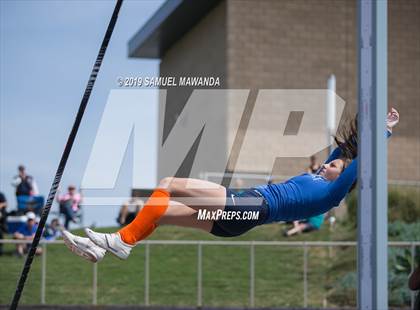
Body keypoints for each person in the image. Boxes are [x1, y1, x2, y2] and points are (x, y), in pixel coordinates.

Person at [63, 108, 400, 263]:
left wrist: (384, 130)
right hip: (240, 221)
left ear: (345, 175)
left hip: (253, 206)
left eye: (335, 164)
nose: (327, 162)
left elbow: (360, 160)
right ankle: (105, 247)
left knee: (168, 184)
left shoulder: (334, 191)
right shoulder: (325, 176)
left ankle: (121, 241)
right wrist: (369, 122)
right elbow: (350, 148)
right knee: (162, 210)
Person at [0, 192, 8, 256]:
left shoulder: (1, 195)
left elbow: (5, 203)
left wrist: (0, 205)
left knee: (1, 233)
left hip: (2, 218)